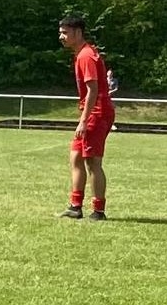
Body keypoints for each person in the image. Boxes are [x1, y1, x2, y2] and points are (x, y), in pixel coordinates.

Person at [58, 16, 114, 220]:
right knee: (75, 157)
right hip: (93, 112)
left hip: (96, 113)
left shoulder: (86, 56)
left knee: (92, 162)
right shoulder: (82, 54)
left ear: (78, 32)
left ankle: (98, 210)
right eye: (60, 32)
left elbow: (93, 90)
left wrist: (83, 120)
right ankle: (75, 206)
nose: (61, 36)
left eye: (65, 32)